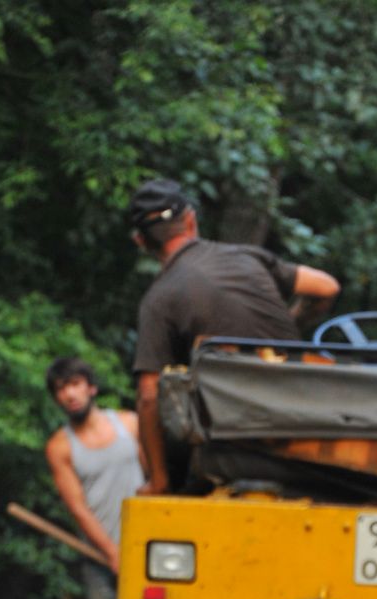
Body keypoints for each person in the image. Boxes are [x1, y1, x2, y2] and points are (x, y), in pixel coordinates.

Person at [127, 178, 340, 494]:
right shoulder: (247, 257)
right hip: (307, 415)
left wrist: (158, 480)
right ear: (191, 220)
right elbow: (326, 288)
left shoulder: (158, 299)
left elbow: (148, 396)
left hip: (238, 441)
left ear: (140, 242)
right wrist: (287, 337)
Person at [43, 356, 143, 599]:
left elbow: (155, 482)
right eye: (61, 389)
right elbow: (78, 508)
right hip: (98, 558)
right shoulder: (60, 447)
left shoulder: (129, 424)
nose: (70, 394)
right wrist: (112, 553)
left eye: (75, 384)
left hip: (147, 550)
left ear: (91, 388)